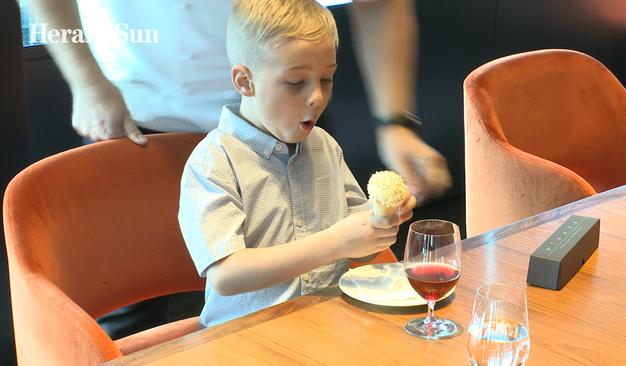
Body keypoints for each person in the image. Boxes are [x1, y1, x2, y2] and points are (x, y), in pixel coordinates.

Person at [27, 0, 451, 203]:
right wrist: (87, 83)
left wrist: (395, 122)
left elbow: (379, 5)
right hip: (137, 125)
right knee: (128, 315)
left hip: (280, 123)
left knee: (306, 294)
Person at [178, 0, 415, 326]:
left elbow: (362, 250)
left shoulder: (325, 146)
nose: (317, 97)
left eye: (326, 79)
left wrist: (383, 222)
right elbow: (226, 275)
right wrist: (335, 242)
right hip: (243, 338)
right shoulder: (214, 162)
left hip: (326, 324)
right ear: (245, 82)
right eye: (295, 83)